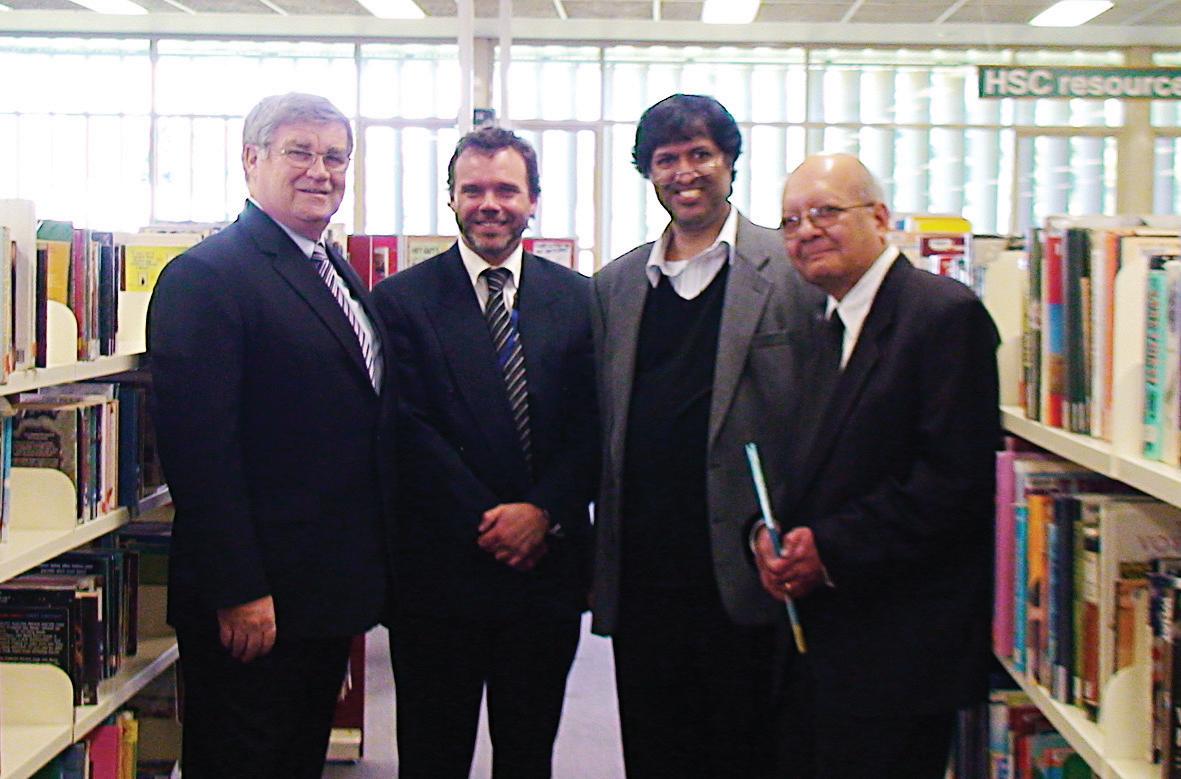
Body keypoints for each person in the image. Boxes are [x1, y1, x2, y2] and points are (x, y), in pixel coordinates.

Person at [147, 92, 390, 778]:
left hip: (319, 592)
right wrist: (240, 589)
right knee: (240, 760)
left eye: (335, 156)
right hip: (255, 601)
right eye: (300, 152)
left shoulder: (329, 267)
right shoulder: (208, 277)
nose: (321, 171)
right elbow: (199, 450)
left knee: (292, 758)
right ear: (251, 159)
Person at [590, 93, 821, 777]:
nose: (684, 172)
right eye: (666, 159)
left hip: (747, 565)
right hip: (644, 569)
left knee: (747, 750)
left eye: (700, 154)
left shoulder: (789, 270)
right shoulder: (615, 286)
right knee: (654, 747)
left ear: (729, 163)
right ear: (648, 171)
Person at [754, 152, 1000, 779]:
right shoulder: (826, 323)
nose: (806, 231)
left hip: (898, 650)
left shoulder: (943, 315)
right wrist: (766, 536)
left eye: (826, 212)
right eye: (790, 221)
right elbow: (806, 468)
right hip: (822, 643)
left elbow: (954, 483)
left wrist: (829, 549)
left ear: (881, 217)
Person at [370, 126, 596, 779]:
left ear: (533, 200)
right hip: (439, 575)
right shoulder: (400, 301)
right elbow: (406, 429)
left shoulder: (581, 300)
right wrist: (497, 521)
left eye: (506, 190)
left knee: (528, 753)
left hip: (545, 573)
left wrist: (541, 512)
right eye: (473, 190)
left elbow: (593, 424)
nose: (489, 204)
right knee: (432, 755)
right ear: (451, 198)